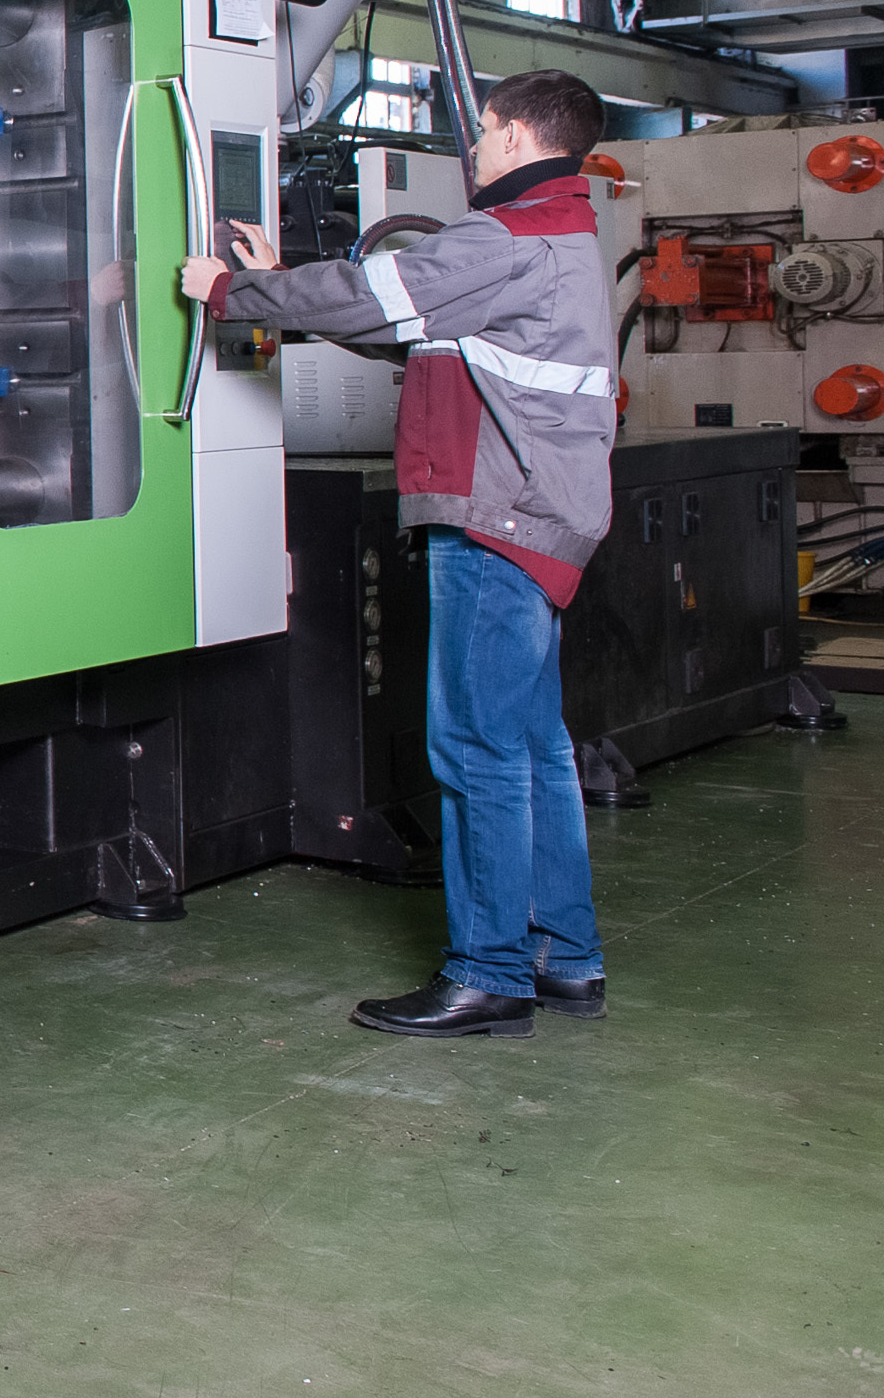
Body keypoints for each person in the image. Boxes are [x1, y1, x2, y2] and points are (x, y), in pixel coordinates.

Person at [182, 69, 617, 1039]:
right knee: (532, 744)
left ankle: (488, 973)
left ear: (514, 135)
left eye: (483, 130)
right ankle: (564, 956)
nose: (475, 148)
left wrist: (231, 289)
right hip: (536, 513)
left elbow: (375, 296)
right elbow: (427, 336)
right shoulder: (563, 232)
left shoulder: (504, 236)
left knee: (474, 747)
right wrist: (283, 287)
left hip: (495, 517)